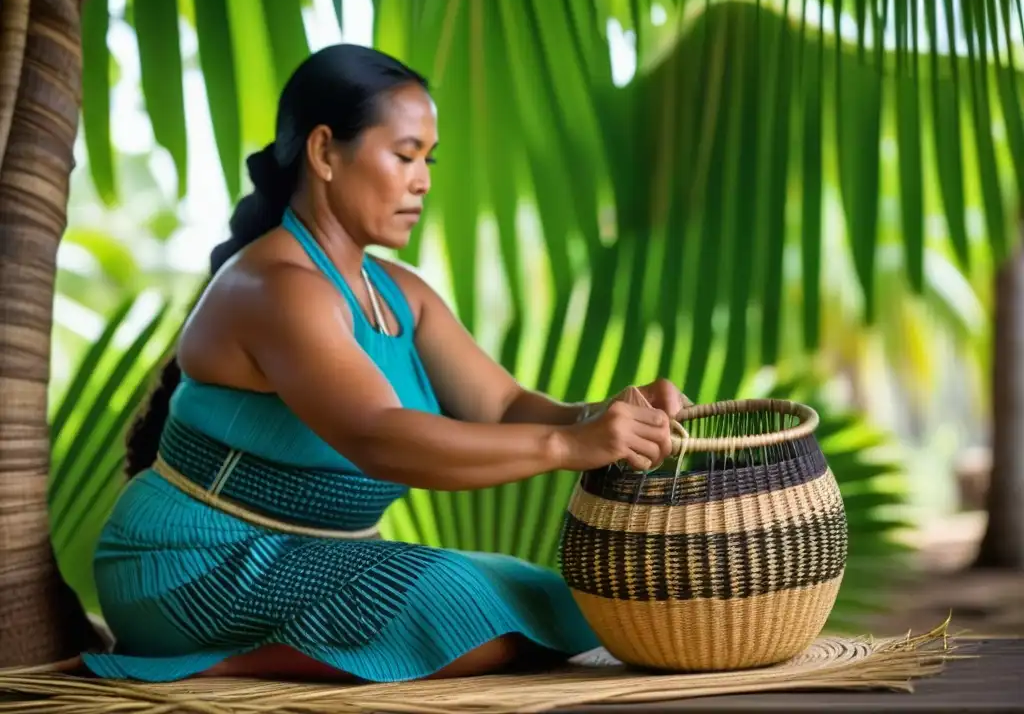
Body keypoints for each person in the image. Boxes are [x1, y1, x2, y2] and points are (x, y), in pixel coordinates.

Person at [80, 44, 689, 684]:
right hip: (192, 565)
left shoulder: (401, 292)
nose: (422, 179)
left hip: (319, 561)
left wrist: (614, 414)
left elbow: (502, 406)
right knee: (458, 606)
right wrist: (569, 446)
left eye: (427, 159)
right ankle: (219, 667)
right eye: (403, 155)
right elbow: (379, 435)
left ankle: (333, 651)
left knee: (562, 604)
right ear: (323, 153)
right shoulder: (276, 286)